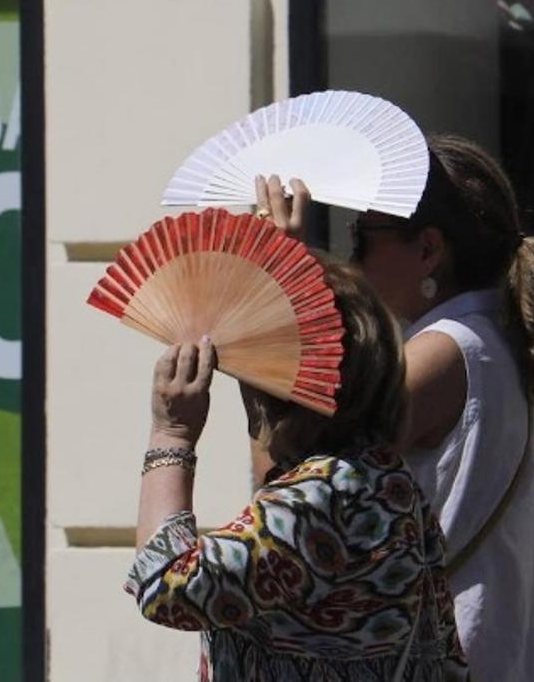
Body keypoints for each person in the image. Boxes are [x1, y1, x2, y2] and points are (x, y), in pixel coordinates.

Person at [257, 134, 534, 682]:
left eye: (362, 237)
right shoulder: (499, 340)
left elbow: (300, 491)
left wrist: (282, 300)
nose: (351, 258)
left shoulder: (444, 352)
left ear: (428, 249)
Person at [127, 254, 468, 682]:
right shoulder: (384, 479)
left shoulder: (317, 498)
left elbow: (164, 585)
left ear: (281, 384)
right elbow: (443, 655)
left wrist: (171, 434)